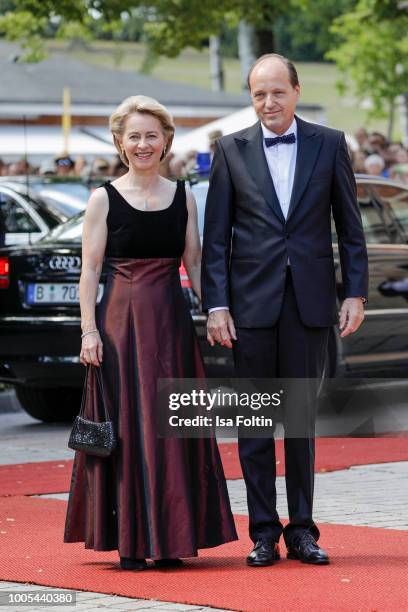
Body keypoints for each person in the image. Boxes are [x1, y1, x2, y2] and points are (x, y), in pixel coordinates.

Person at [202, 54, 368, 567]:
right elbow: (216, 239)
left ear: (296, 90)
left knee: (299, 423)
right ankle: (262, 533)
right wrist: (217, 305)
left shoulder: (330, 143)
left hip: (310, 304)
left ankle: (302, 531)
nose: (268, 102)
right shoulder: (229, 150)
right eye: (258, 94)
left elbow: (350, 226)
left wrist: (355, 292)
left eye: (277, 92)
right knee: (254, 423)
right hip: (249, 308)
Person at [64, 95, 237, 570]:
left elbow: (195, 263)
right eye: (133, 136)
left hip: (171, 325)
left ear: (166, 141)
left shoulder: (184, 197)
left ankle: (171, 536)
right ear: (120, 143)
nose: (143, 144)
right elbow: (90, 270)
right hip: (119, 326)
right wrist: (88, 332)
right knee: (128, 427)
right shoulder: (103, 198)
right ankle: (132, 539)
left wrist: (216, 311)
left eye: (151, 135)